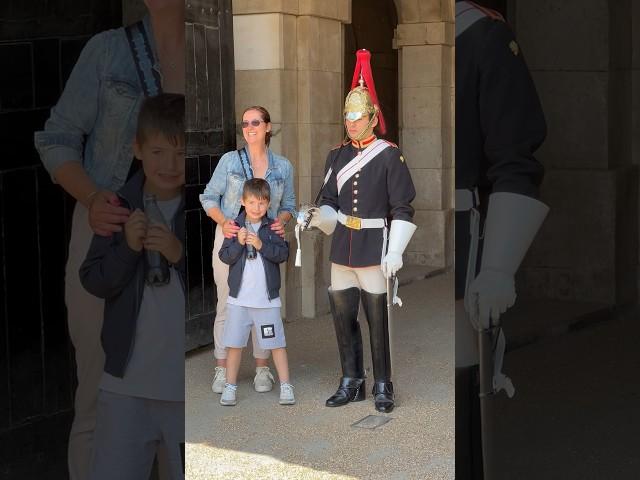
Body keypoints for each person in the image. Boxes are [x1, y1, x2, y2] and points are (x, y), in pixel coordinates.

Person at [33, 1, 184, 477]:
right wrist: (93, 197)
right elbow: (57, 137)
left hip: (184, 234)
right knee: (100, 391)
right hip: (106, 229)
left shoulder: (216, 48)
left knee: (181, 396)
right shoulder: (109, 51)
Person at [455, 1, 548, 478]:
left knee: (463, 412)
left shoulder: (480, 35)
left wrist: (497, 267)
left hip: (459, 246)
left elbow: (515, 160)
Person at [301, 49, 416, 413]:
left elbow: (402, 206)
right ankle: (352, 380)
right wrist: (318, 217)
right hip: (343, 247)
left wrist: (395, 250)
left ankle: (383, 383)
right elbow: (331, 201)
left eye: (358, 115)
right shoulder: (336, 156)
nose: (351, 121)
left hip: (373, 245)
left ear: (372, 116)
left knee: (376, 320)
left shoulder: (388, 155)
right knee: (343, 317)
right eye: (347, 115)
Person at [79, 93, 185, 480]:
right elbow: (93, 280)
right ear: (137, 149)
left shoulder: (207, 206)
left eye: (180, 153)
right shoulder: (119, 206)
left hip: (184, 389)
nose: (169, 165)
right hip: (126, 385)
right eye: (158, 152)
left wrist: (178, 253)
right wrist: (126, 248)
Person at [200, 106, 296, 395]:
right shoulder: (230, 161)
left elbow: (289, 205)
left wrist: (280, 222)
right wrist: (225, 223)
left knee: (263, 302)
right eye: (245, 123)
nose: (250, 127)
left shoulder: (283, 166)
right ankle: (221, 367)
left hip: (265, 240)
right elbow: (208, 196)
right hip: (231, 238)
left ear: (268, 127)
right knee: (227, 302)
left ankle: (262, 367)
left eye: (256, 122)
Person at [217, 178, 293, 406]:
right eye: (251, 202)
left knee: (276, 343)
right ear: (242, 201)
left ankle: (286, 385)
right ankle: (230, 387)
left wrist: (261, 245)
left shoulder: (273, 228)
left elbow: (282, 254)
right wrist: (239, 243)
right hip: (239, 301)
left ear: (268, 204)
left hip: (266, 301)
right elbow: (225, 256)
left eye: (261, 203)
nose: (256, 208)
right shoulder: (234, 228)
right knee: (234, 344)